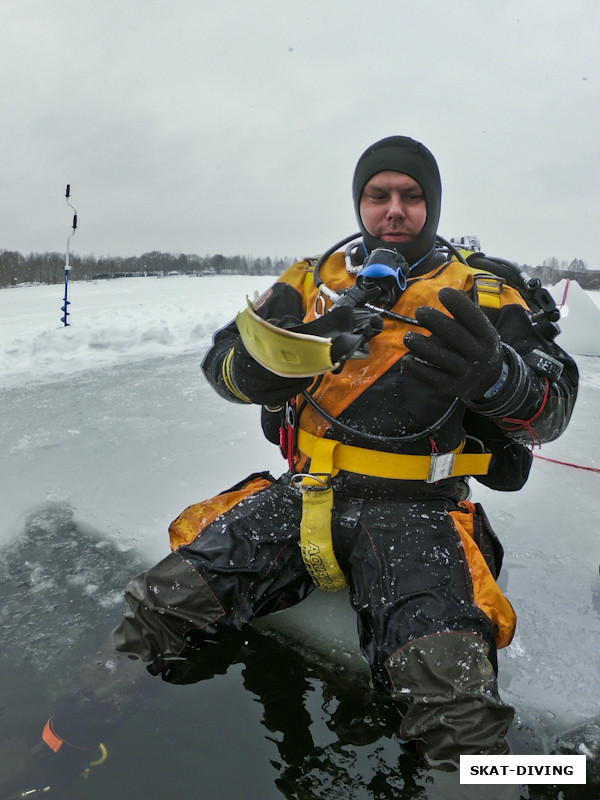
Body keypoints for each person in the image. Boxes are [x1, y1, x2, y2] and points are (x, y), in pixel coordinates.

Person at [4, 136, 578, 799]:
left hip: (416, 509)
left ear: (433, 203)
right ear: (360, 200)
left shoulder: (483, 287)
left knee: (451, 696)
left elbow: (554, 404)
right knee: (157, 605)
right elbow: (221, 363)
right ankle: (61, 747)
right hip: (303, 491)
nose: (394, 210)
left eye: (412, 197)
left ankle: (556, 773)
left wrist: (498, 378)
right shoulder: (311, 281)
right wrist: (258, 366)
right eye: (379, 195)